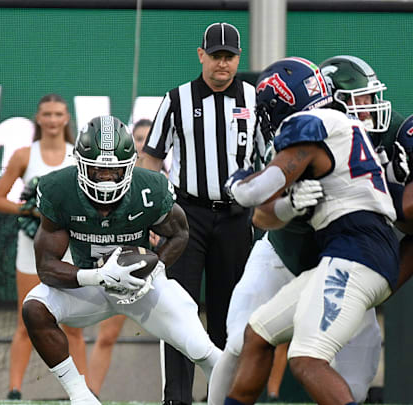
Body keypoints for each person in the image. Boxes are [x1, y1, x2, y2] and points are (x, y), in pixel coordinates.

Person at [208, 55, 402, 405]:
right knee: (253, 335)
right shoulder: (317, 129)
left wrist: (237, 185)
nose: (368, 110)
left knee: (317, 362)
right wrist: (287, 206)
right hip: (299, 252)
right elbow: (263, 215)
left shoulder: (319, 126)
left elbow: (253, 191)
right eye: (357, 100)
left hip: (352, 253)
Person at [21, 115, 221, 405]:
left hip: (142, 288)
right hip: (90, 286)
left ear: (129, 166)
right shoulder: (59, 189)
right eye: (98, 169)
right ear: (80, 164)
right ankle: (81, 396)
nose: (105, 177)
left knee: (204, 351)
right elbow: (46, 267)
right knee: (35, 308)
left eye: (113, 170)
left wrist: (154, 270)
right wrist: (97, 277)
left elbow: (180, 234)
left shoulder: (149, 188)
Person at [137, 22, 258, 405]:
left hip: (237, 218)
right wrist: (148, 218)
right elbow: (151, 160)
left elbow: (271, 160)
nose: (223, 64)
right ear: (201, 54)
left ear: (239, 58)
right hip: (187, 217)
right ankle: (176, 397)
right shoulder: (177, 99)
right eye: (216, 55)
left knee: (230, 312)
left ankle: (221, 396)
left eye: (230, 56)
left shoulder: (255, 100)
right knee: (178, 309)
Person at [0, 93, 87, 400]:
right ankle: (15, 390)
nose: (54, 120)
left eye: (59, 114)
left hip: (71, 250)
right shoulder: (24, 155)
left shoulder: (78, 156)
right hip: (31, 248)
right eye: (48, 114)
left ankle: (82, 391)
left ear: (67, 118)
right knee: (25, 321)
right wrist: (31, 210)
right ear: (39, 118)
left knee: (74, 326)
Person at [86, 118, 156, 397]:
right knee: (107, 335)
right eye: (139, 139)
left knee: (174, 334)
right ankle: (91, 394)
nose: (144, 144)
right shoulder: (107, 178)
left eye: (149, 139)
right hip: (121, 266)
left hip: (161, 265)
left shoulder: (163, 182)